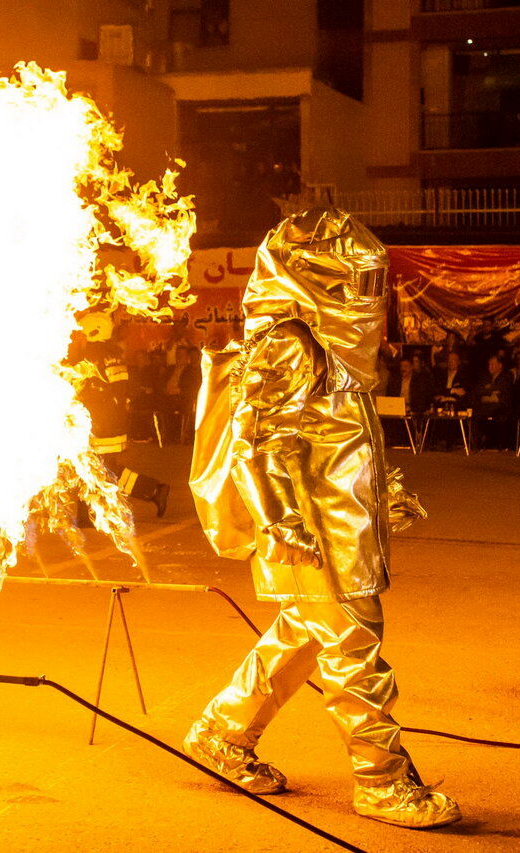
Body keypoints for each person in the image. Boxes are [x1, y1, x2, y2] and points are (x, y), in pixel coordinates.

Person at [185, 207, 459, 829]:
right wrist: (281, 520)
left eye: (371, 283)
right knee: (353, 648)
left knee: (305, 635)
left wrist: (382, 489)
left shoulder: (333, 348)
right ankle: (381, 781)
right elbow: (259, 442)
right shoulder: (289, 342)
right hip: (313, 530)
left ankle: (221, 732)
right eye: (351, 284)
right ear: (310, 280)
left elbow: (340, 434)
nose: (366, 299)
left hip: (341, 521)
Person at [75, 313, 170, 515]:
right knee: (95, 467)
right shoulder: (98, 355)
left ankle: (153, 489)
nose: (79, 337)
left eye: (82, 333)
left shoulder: (105, 356)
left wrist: (100, 416)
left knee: (98, 468)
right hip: (96, 421)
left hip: (103, 424)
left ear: (93, 331)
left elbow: (119, 390)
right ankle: (152, 490)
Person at [472, 354, 513, 450]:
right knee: (474, 413)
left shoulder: (506, 376)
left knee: (493, 412)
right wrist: (490, 392)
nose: (490, 367)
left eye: (493, 364)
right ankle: (476, 443)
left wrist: (487, 394)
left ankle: (496, 443)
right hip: (486, 407)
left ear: (500, 365)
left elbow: (501, 393)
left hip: (501, 406)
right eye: (489, 364)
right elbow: (478, 390)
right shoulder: (485, 377)